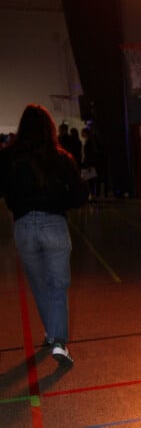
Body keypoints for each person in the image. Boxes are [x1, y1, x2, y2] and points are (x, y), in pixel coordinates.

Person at [0, 104, 89, 366]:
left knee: (40, 286)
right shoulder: (61, 158)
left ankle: (51, 333)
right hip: (54, 226)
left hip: (24, 227)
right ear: (50, 128)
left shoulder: (7, 158)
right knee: (58, 286)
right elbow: (77, 195)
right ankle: (59, 342)